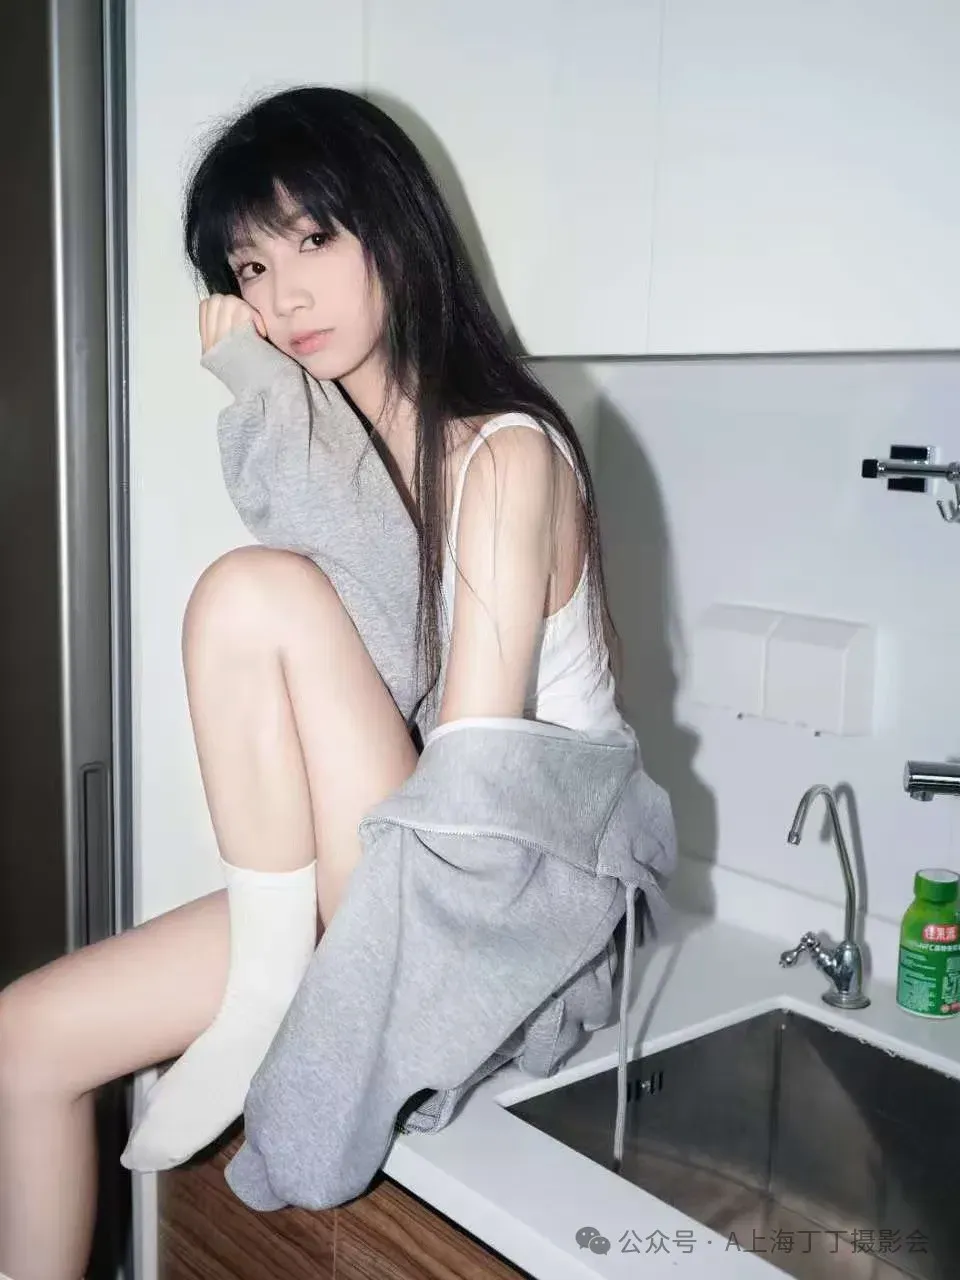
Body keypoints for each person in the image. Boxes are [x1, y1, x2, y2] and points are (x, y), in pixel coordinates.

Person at [0, 86, 625, 1280]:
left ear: (394, 224)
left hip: (499, 908)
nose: (282, 297)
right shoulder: (355, 449)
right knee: (25, 1035)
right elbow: (383, 654)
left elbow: (467, 800)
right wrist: (273, 401)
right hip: (392, 854)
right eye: (251, 264)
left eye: (314, 238)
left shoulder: (506, 454)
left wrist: (269, 400)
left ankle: (272, 979)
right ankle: (270, 972)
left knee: (251, 589)